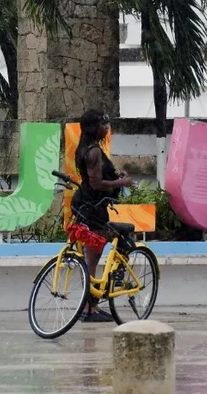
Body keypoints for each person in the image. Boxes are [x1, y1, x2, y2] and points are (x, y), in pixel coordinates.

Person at [71, 110, 135, 322]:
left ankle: (89, 304)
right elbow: (96, 183)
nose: (106, 127)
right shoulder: (94, 152)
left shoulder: (85, 148)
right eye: (102, 124)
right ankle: (90, 307)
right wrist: (122, 183)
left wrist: (115, 177)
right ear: (93, 127)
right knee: (96, 253)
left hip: (87, 205)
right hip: (93, 207)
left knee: (92, 255)